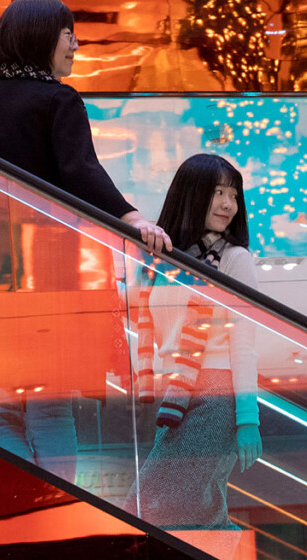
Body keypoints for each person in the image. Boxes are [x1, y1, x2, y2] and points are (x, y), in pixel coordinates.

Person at [0, 0, 170, 482]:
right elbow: (81, 170)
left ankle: (21, 496)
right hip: (48, 274)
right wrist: (131, 216)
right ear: (41, 37)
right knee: (49, 405)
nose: (76, 45)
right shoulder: (58, 99)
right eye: (68, 34)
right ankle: (57, 499)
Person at [128, 153, 261, 537]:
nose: (227, 205)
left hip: (216, 395)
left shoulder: (235, 260)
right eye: (218, 192)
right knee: (198, 509)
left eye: (233, 195)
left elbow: (244, 342)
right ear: (191, 195)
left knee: (148, 505)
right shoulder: (166, 260)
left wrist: (248, 420)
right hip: (176, 396)